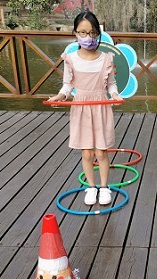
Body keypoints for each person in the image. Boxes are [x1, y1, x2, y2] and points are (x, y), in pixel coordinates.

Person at [48, 11, 122, 206]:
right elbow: (67, 85)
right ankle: (91, 187)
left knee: (101, 152)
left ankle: (104, 187)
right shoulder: (70, 58)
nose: (88, 37)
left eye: (92, 33)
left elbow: (111, 84)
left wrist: (115, 95)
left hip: (100, 107)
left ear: (97, 34)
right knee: (87, 153)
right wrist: (60, 96)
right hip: (81, 108)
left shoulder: (106, 58)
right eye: (83, 32)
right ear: (75, 33)